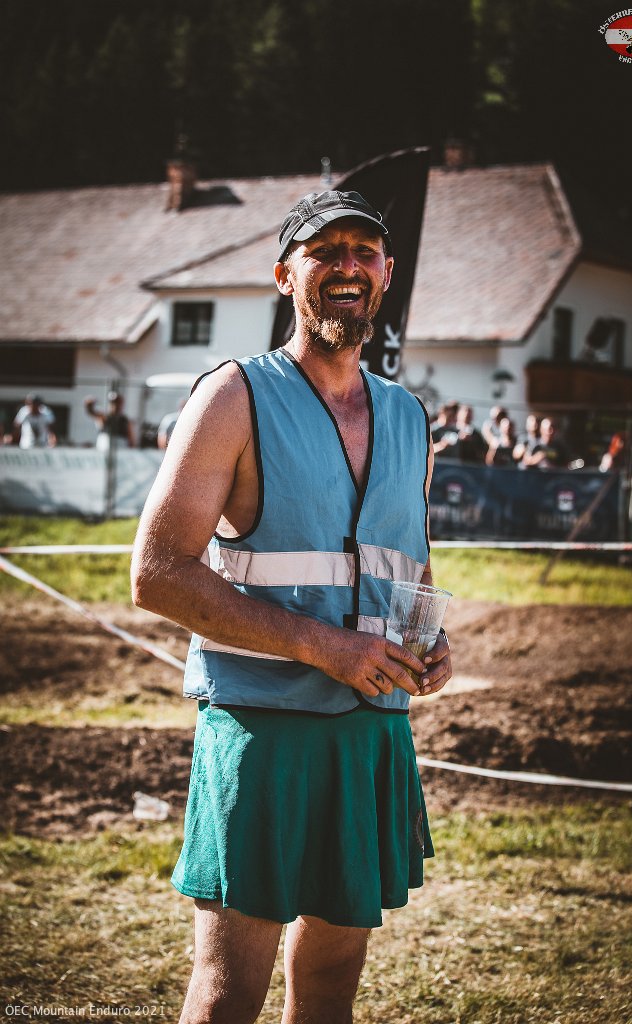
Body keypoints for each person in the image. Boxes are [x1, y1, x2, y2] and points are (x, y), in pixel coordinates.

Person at [131, 189, 452, 1024]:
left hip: (372, 727)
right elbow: (158, 573)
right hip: (262, 728)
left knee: (333, 983)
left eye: (363, 251)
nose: (347, 265)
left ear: (386, 272)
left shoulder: (408, 415)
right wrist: (320, 646)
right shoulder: (233, 395)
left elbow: (405, 557)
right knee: (229, 991)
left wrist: (430, 634)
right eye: (324, 251)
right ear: (285, 276)